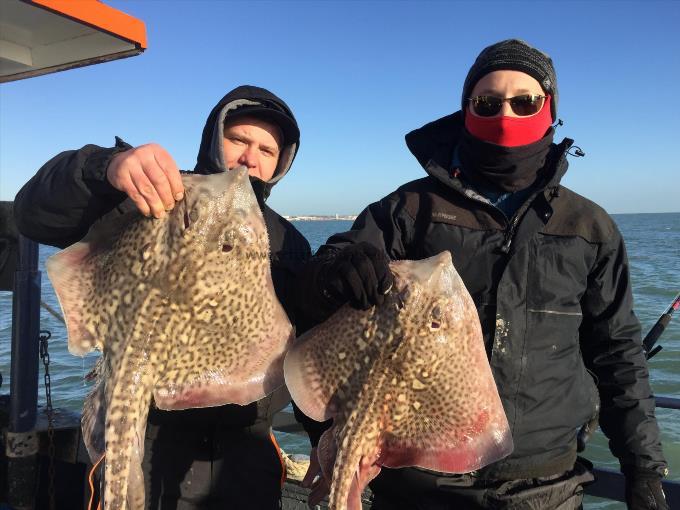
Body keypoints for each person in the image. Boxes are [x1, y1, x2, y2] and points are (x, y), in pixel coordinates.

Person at [296, 40, 669, 510]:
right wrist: (337, 269)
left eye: (525, 102)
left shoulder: (589, 227)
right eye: (488, 103)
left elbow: (618, 354)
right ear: (466, 109)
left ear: (551, 110)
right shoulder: (409, 210)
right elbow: (320, 288)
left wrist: (644, 468)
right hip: (420, 480)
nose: (506, 115)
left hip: (546, 481)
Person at [13, 85, 312, 509]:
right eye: (239, 140)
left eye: (266, 149)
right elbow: (32, 213)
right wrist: (107, 166)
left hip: (244, 457)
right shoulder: (152, 199)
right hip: (149, 432)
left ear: (281, 163)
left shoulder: (290, 241)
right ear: (214, 138)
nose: (250, 158)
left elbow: (304, 351)